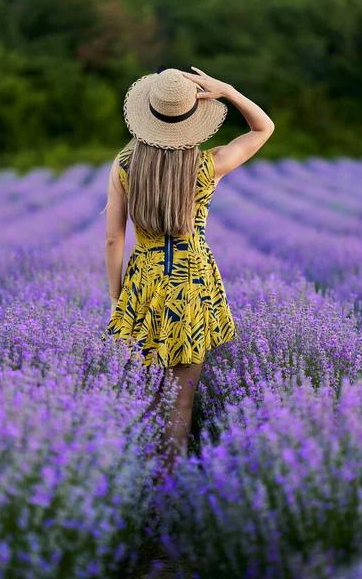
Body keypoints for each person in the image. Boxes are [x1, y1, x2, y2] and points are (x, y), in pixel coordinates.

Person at [100, 65, 274, 479]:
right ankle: (169, 491)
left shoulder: (124, 164)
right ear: (191, 120)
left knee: (140, 394)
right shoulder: (207, 165)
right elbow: (263, 128)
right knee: (180, 401)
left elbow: (112, 240)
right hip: (192, 285)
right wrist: (228, 88)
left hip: (143, 281)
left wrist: (116, 296)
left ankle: (129, 481)